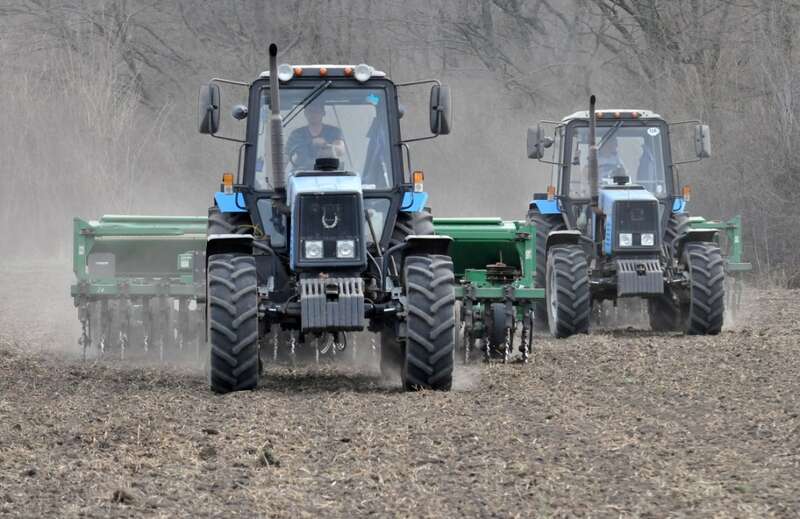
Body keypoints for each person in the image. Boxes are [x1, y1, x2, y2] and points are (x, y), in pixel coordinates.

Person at [285, 102, 345, 170]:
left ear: (323, 113)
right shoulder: (296, 134)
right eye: (310, 111)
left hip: (328, 172)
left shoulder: (333, 131)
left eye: (316, 111)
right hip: (301, 174)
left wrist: (326, 145)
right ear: (305, 113)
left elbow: (340, 150)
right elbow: (285, 157)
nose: (313, 114)